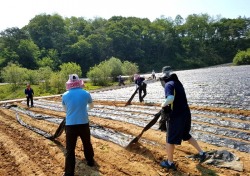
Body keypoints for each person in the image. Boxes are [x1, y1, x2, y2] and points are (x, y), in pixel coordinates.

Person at [159, 73, 209, 170]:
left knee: (170, 139)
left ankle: (170, 163)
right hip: (186, 113)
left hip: (177, 116)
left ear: (164, 79)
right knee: (185, 134)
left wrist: (162, 105)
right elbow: (177, 100)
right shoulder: (178, 83)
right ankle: (202, 153)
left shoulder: (169, 84)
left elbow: (170, 98)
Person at [62, 74, 94, 176]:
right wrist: (84, 110)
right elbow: (91, 106)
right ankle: (90, 161)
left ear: (69, 83)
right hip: (84, 123)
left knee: (70, 149)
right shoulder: (86, 93)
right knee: (86, 143)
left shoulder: (65, 95)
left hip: (71, 125)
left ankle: (69, 173)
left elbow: (66, 110)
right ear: (79, 82)